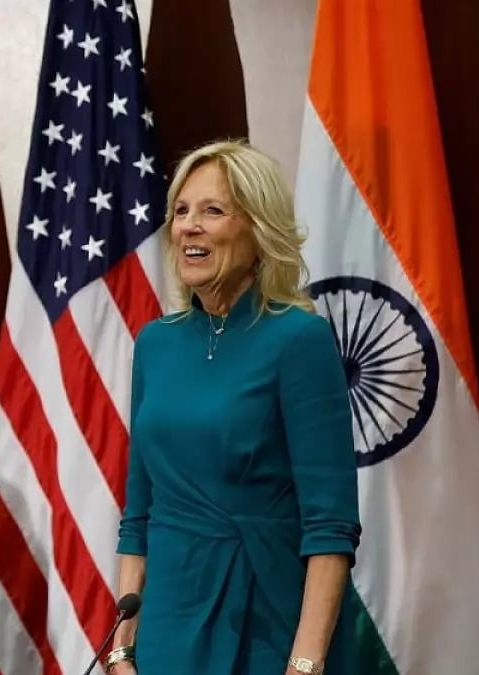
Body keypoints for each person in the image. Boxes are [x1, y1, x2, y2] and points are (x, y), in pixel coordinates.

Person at [103, 140, 361, 675]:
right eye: (180, 211)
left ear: (258, 230)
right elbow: (138, 514)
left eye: (212, 210)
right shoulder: (155, 343)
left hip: (266, 623)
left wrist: (305, 664)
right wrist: (123, 648)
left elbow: (330, 527)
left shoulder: (300, 341)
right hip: (167, 626)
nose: (188, 226)